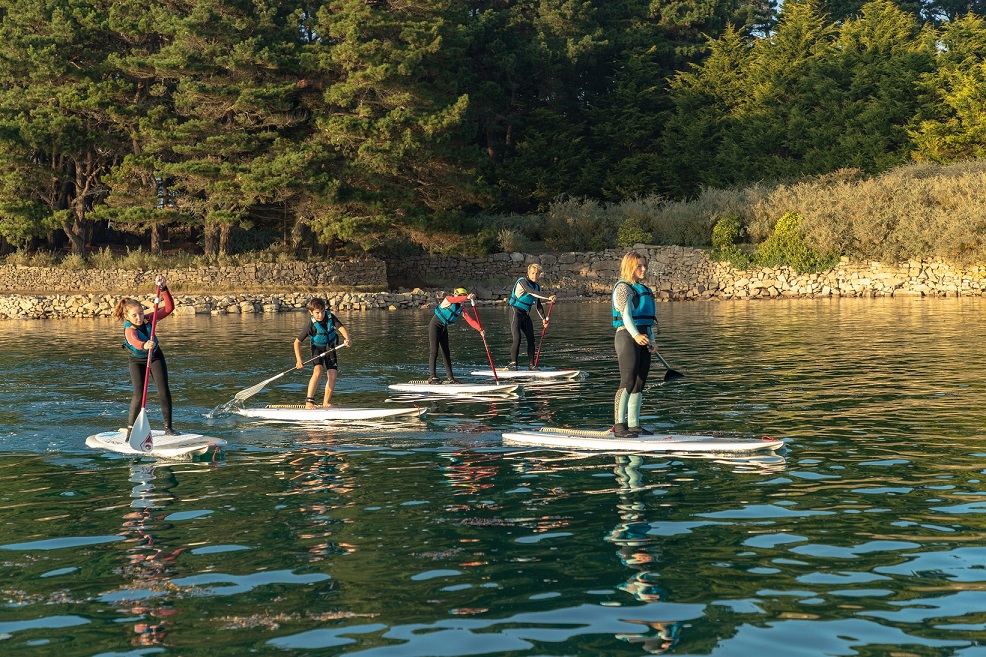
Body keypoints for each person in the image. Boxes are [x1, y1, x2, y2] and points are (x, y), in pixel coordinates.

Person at [113, 276, 179, 436]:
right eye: (135, 315)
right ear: (127, 316)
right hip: (137, 361)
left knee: (164, 390)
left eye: (141, 313)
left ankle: (168, 428)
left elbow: (169, 308)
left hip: (155, 357)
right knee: (139, 394)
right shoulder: (129, 329)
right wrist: (144, 345)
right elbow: (134, 341)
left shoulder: (150, 319)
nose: (139, 317)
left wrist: (164, 288)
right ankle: (130, 430)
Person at [612, 251, 658, 438]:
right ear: (630, 266)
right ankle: (619, 426)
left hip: (643, 337)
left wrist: (652, 340)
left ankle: (634, 425)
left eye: (644, 265)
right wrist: (636, 335)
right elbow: (626, 317)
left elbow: (648, 321)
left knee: (640, 382)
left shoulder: (644, 289)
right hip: (626, 336)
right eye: (639, 265)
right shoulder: (623, 288)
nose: (644, 269)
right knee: (628, 380)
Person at [294, 298, 351, 409]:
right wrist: (299, 360)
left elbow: (341, 328)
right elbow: (296, 343)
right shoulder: (310, 325)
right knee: (318, 371)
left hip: (330, 348)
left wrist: (348, 339)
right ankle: (309, 402)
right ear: (311, 312)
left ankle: (326, 402)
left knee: (333, 374)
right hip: (317, 349)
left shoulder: (330, 317)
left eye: (322, 311)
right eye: (317, 312)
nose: (321, 315)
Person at [505, 263, 556, 370]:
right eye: (533, 273)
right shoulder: (522, 281)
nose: (535, 276)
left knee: (531, 339)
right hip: (515, 312)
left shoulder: (537, 286)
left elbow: (538, 305)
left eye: (537, 274)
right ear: (528, 273)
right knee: (517, 338)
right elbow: (530, 292)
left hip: (525, 315)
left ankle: (532, 365)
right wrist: (548, 297)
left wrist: (544, 319)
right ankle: (513, 363)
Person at [428, 287, 483, 384]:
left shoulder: (461, 308)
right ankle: (432, 377)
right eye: (460, 296)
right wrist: (467, 297)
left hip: (444, 328)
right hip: (435, 326)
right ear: (456, 295)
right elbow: (455, 300)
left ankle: (451, 378)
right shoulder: (448, 299)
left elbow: (470, 320)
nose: (462, 298)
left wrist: (480, 329)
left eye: (463, 296)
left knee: (446, 353)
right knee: (434, 351)